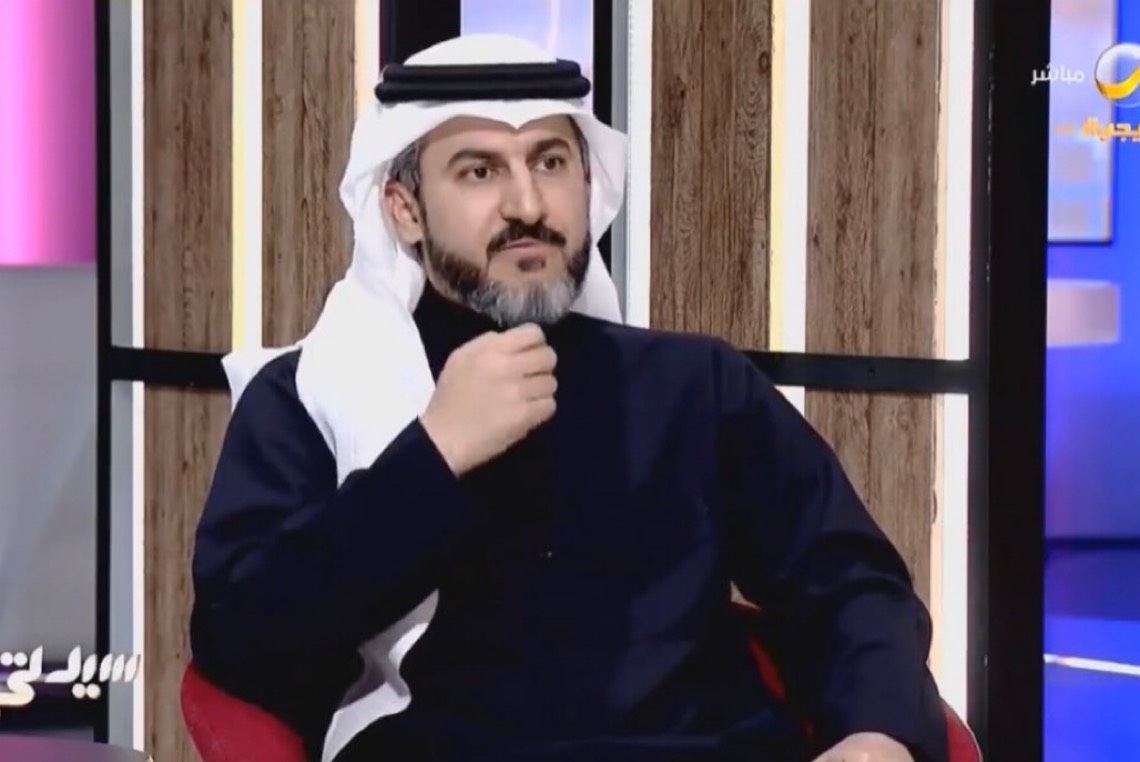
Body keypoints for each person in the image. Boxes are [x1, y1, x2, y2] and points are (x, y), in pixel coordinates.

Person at [189, 33, 948, 762]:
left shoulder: (694, 385)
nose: (527, 204)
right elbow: (242, 642)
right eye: (479, 172)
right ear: (405, 210)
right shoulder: (312, 395)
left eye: (550, 162)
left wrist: (877, 731)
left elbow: (849, 582)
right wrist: (433, 455)